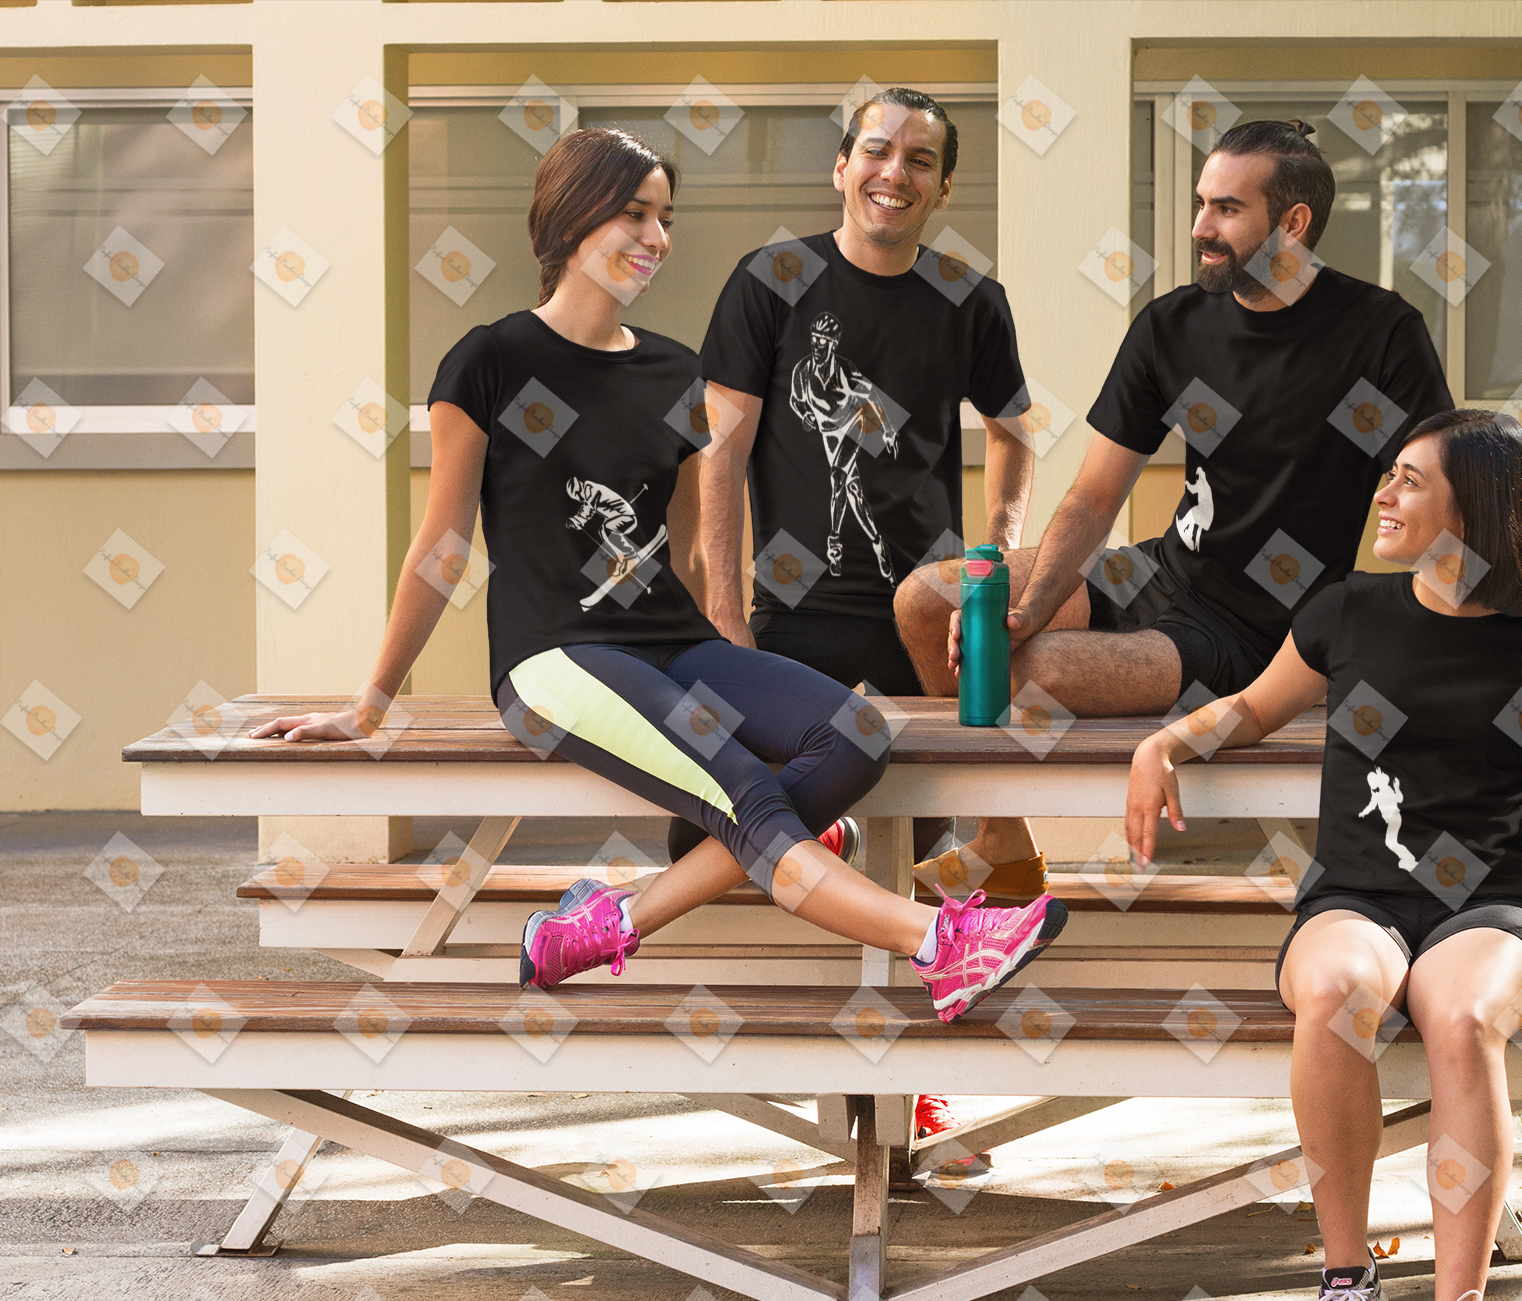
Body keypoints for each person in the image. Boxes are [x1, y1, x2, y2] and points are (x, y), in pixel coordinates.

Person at [249, 126, 1066, 1023]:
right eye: (634, 215)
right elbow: (440, 551)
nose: (657, 238)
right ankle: (938, 944)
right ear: (571, 219)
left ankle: (610, 923)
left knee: (856, 736)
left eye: (665, 218)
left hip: (672, 642)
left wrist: (732, 654)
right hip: (555, 657)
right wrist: (370, 704)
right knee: (746, 792)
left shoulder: (677, 370)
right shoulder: (489, 361)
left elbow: (682, 552)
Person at [1124, 410, 1522, 1301]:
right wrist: (1164, 744)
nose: (1385, 495)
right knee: (1332, 992)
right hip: (1356, 897)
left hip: (1489, 904)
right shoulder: (1348, 610)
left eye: (1410, 480)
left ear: (1473, 509)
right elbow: (1254, 707)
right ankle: (1346, 1286)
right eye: (1390, 476)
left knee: (1461, 1015)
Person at [896, 117, 1454, 895]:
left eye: (1227, 209)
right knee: (927, 601)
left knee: (1031, 670)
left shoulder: (1381, 334)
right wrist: (1026, 607)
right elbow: (1094, 497)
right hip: (1159, 571)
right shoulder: (1173, 325)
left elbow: (1442, 493)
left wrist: (1417, 644)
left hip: (1254, 627)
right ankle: (1003, 840)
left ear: (1294, 223)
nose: (1200, 228)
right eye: (1200, 204)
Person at [687, 87, 1040, 1137]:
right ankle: (837, 1064)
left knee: (927, 855)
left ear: (944, 185)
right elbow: (720, 456)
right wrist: (724, 617)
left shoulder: (969, 298)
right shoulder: (769, 282)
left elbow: (1015, 434)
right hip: (789, 620)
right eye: (876, 151)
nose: (895, 173)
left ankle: (901, 1082)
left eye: (920, 159)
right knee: (747, 829)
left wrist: (993, 561)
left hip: (921, 626)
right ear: (841, 167)